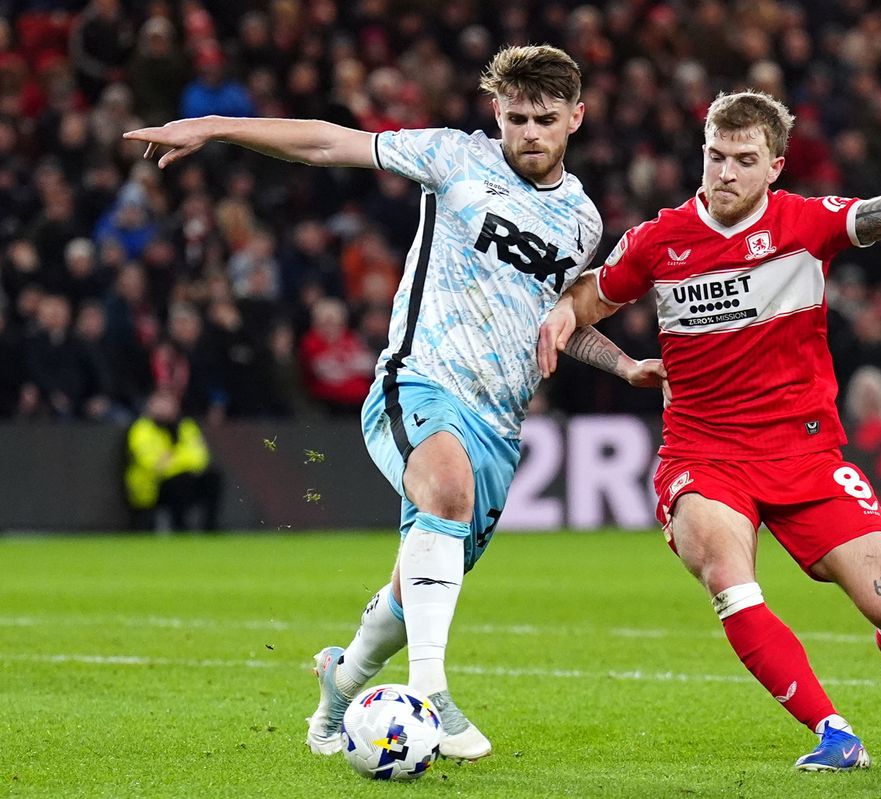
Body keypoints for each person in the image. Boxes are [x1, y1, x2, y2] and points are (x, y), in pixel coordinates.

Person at [125, 45, 666, 762]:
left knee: (411, 593)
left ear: (576, 118)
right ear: (495, 113)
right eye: (515, 118)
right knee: (445, 488)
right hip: (418, 381)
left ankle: (337, 685)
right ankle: (430, 696)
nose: (528, 133)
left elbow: (560, 319)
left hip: (499, 425)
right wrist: (217, 126)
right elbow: (328, 142)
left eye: (543, 119)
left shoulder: (582, 221)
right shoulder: (453, 158)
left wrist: (623, 362)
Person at [538, 90, 881, 771]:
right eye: (715, 156)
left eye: (743, 160)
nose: (724, 173)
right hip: (703, 456)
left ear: (776, 167)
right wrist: (616, 358)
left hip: (805, 452)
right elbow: (581, 304)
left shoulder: (806, 224)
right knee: (729, 577)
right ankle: (833, 730)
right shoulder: (659, 240)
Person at [124, 389, 222, 531]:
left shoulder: (186, 426)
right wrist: (181, 459)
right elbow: (150, 463)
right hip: (152, 486)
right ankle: (180, 527)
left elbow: (200, 458)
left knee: (212, 477)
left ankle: (210, 528)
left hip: (183, 478)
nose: (166, 407)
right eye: (161, 403)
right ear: (151, 405)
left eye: (169, 403)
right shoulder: (142, 429)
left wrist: (171, 458)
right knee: (180, 482)